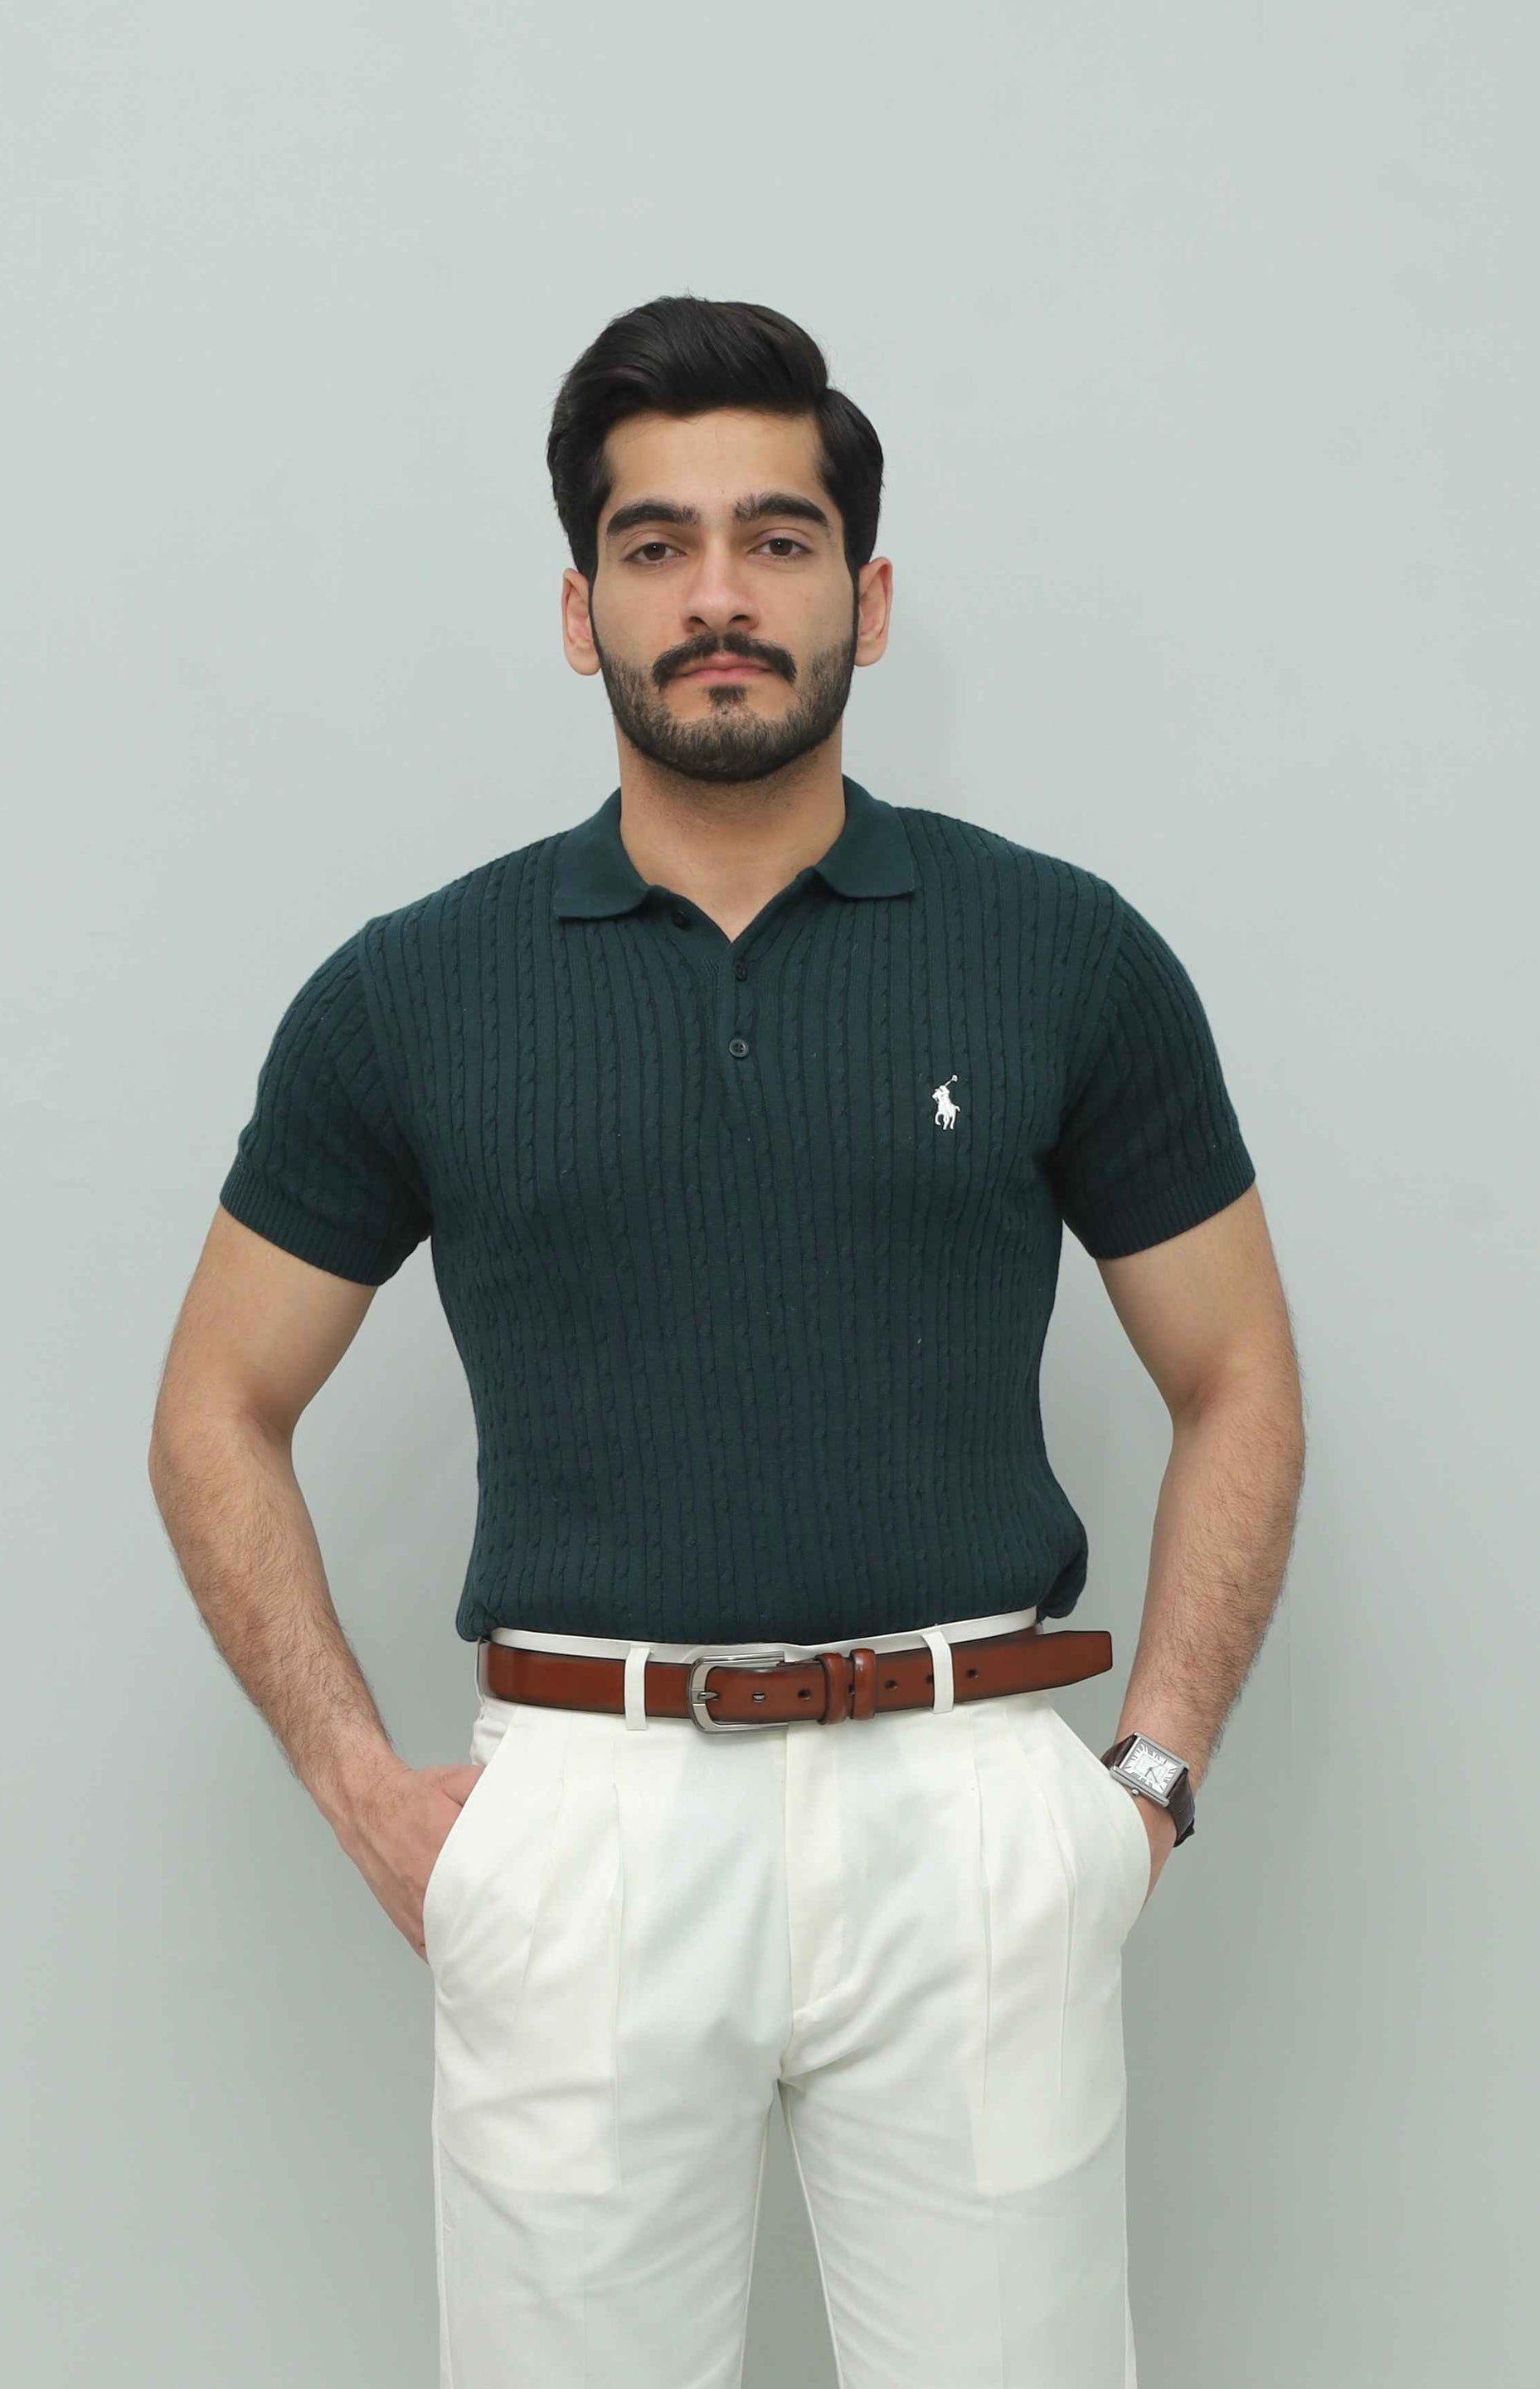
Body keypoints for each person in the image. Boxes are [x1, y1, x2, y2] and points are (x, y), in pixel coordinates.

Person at [147, 294, 1304, 2389]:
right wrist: (367, 1792)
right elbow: (214, 1407)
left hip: (969, 1810)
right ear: (578, 610)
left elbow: (1236, 1375)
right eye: (655, 544)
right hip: (586, 1826)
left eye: (776, 539)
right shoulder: (415, 993)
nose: (717, 597)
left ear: (867, 596)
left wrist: (1141, 1782)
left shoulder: (1059, 953)